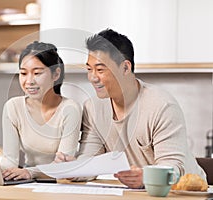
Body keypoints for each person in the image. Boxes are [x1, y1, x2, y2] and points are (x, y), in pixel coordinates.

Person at [55, 29, 206, 188]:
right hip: (138, 193)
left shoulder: (161, 106)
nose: (92, 77)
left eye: (100, 70)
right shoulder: (92, 108)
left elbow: (173, 167)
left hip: (187, 193)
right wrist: (74, 169)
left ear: (126, 67)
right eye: (89, 69)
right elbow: (90, 159)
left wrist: (146, 177)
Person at [1, 41, 82, 180]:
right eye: (23, 73)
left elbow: (63, 165)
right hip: (27, 182)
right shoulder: (13, 107)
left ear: (56, 74)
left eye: (37, 73)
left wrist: (30, 172)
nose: (29, 81)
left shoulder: (70, 109)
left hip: (60, 184)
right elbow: (10, 160)